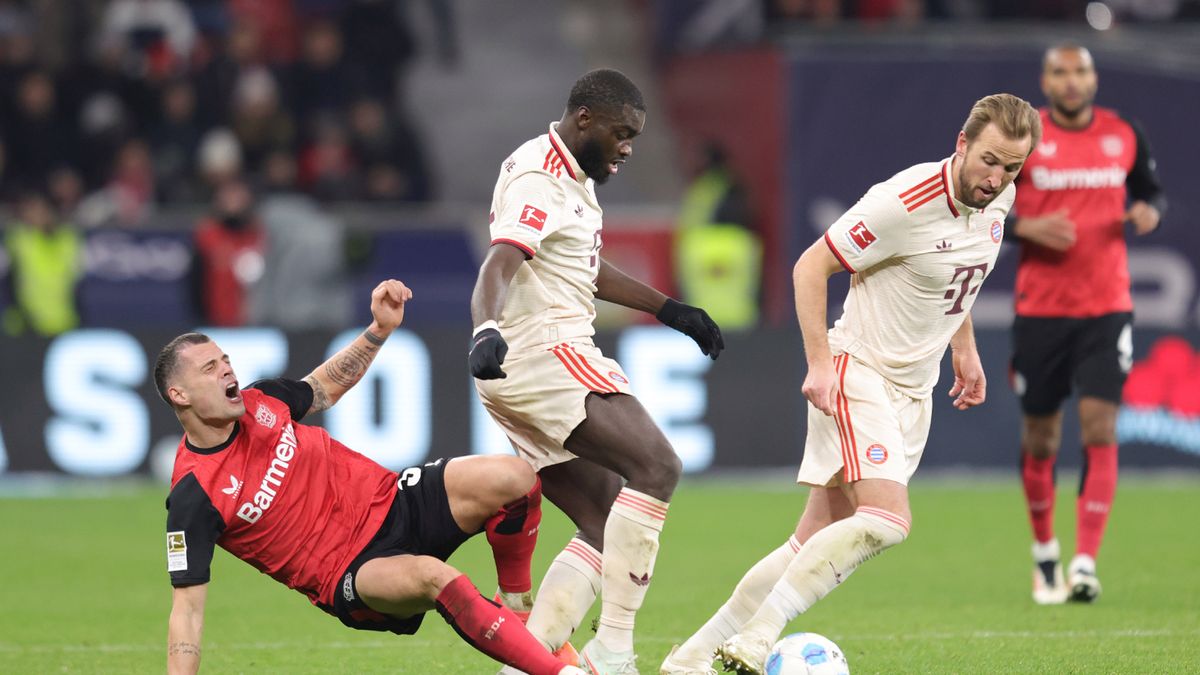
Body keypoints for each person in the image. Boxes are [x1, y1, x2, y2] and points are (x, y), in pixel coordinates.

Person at [661, 93, 1041, 675]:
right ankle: (759, 638)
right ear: (961, 144)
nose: (997, 178)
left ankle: (687, 662)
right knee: (889, 522)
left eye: (1012, 166)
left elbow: (958, 271)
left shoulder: (1000, 198)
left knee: (810, 540)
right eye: (989, 160)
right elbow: (810, 266)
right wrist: (818, 364)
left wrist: (964, 348)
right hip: (858, 369)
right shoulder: (903, 202)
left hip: (913, 389)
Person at [161, 280, 586, 675]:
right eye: (209, 368)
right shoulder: (194, 494)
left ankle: (517, 612)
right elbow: (188, 609)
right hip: (353, 569)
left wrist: (380, 329)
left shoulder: (262, 400)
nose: (226, 370)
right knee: (438, 577)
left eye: (226, 360)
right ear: (179, 395)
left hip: (394, 499)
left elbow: (323, 386)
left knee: (515, 478)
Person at [469, 69, 724, 675]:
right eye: (622, 133)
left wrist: (669, 309)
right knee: (658, 467)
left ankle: (523, 664)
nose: (629, 147)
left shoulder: (567, 175)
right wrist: (485, 328)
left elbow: (581, 265)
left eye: (635, 136)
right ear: (586, 118)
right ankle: (612, 651)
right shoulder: (541, 178)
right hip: (544, 354)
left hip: (523, 369)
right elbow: (499, 264)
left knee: (605, 516)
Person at [1008, 44, 1166, 605]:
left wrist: (1149, 212)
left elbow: (1150, 192)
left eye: (1080, 71)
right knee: (1042, 437)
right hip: (1040, 310)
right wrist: (1026, 227)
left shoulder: (1124, 133)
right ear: (1045, 81)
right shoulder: (1023, 137)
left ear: (1093, 78)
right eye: (1060, 72)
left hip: (1107, 306)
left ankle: (1084, 563)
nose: (1071, 81)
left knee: (1100, 427)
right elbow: (983, 210)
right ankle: (1045, 551)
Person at [2, 189, 83, 336]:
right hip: (29, 324)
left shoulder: (68, 240)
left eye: (39, 209)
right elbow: (10, 283)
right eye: (29, 210)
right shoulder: (19, 240)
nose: (34, 215)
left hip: (65, 321)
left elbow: (77, 284)